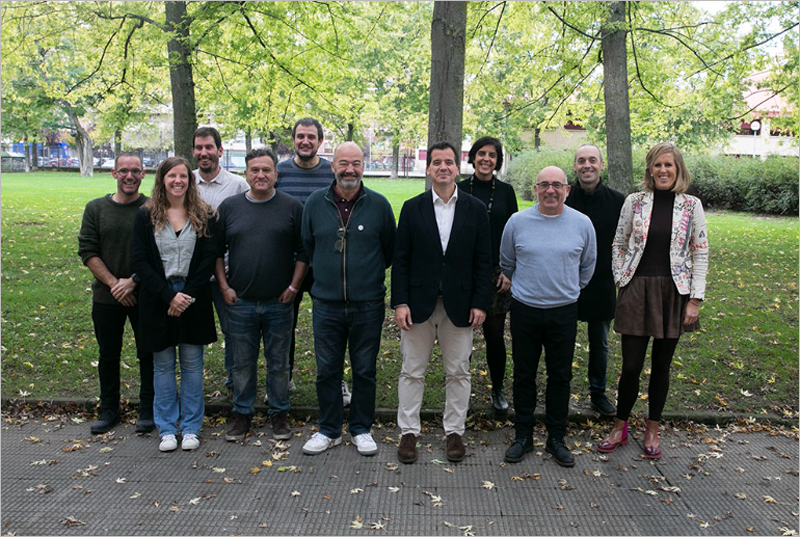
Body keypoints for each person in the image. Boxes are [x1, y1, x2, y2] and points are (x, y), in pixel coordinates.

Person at [598, 142, 708, 460]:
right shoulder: (636, 202)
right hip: (636, 288)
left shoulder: (691, 206)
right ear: (650, 169)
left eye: (669, 165)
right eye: (657, 165)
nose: (663, 170)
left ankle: (652, 428)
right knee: (630, 366)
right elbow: (618, 241)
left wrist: (695, 300)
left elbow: (700, 252)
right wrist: (622, 278)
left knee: (661, 366)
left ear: (678, 170)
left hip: (674, 292)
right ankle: (620, 426)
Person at [392, 141, 492, 464]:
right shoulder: (412, 207)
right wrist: (399, 302)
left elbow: (482, 259)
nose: (444, 168)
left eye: (449, 162)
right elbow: (401, 259)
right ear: (429, 169)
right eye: (437, 162)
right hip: (418, 304)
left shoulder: (475, 209)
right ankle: (408, 432)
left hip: (461, 306)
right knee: (412, 371)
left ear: (458, 168)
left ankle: (454, 432)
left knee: (459, 372)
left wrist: (480, 302)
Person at [300, 142, 396, 457]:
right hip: (326, 304)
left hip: (367, 304)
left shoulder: (379, 205)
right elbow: (308, 246)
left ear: (363, 166)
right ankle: (328, 430)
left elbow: (388, 252)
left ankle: (360, 428)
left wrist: (362, 275)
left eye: (356, 163)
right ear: (332, 166)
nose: (349, 170)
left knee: (364, 369)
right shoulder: (315, 203)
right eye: (343, 163)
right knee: (327, 369)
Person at [500, 166, 596, 468]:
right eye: (544, 185)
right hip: (525, 310)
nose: (550, 190)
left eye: (557, 185)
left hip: (563, 312)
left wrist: (567, 289)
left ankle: (556, 438)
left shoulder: (582, 224)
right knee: (524, 376)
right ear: (535, 188)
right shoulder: (517, 222)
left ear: (567, 190)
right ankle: (523, 436)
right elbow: (507, 262)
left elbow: (587, 266)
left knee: (560, 377)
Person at [215, 147, 308, 442]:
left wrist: (294, 287)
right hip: (240, 301)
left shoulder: (292, 207)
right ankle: (242, 413)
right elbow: (216, 253)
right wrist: (224, 287)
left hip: (279, 303)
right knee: (242, 364)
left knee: (279, 363)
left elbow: (304, 252)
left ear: (276, 175)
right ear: (246, 173)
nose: (261, 175)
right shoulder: (229, 207)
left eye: (266, 170)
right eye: (255, 170)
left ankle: (279, 413)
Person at [130, 157, 218, 452]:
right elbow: (140, 262)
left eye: (183, 176)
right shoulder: (146, 216)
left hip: (194, 297)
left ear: (190, 181)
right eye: (172, 176)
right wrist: (169, 296)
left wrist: (186, 296)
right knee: (163, 366)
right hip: (157, 297)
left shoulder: (204, 215)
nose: (178, 181)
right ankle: (167, 428)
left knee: (193, 366)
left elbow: (208, 259)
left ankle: (191, 427)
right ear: (162, 180)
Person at [276, 117, 352, 405]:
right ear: (293, 140)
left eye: (311, 137)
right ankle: (285, 376)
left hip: (326, 263)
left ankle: (336, 379)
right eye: (300, 136)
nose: (305, 141)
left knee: (332, 325)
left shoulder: (331, 173)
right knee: (285, 323)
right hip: (288, 262)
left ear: (321, 142)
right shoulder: (280, 172)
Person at [78, 152, 154, 435]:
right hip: (106, 297)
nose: (129, 176)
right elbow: (87, 250)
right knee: (108, 354)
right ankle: (108, 409)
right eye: (124, 171)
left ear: (143, 174)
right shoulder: (96, 208)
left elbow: (158, 252)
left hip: (143, 295)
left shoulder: (152, 207)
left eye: (135, 171)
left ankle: (148, 408)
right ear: (114, 174)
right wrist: (114, 284)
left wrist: (132, 281)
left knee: (147, 353)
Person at [456, 137, 518, 412]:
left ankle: (498, 389)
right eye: (481, 154)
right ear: (473, 157)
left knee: (494, 335)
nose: (486, 159)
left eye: (492, 155)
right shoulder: (458, 189)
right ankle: (461, 391)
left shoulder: (505, 191)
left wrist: (508, 270)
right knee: (462, 335)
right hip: (464, 271)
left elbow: (515, 232)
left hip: (496, 271)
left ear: (497, 160)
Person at [565, 144, 625, 417]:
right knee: (561, 339)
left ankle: (598, 393)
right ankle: (560, 390)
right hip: (564, 281)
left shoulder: (618, 201)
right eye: (581, 161)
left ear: (602, 165)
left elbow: (625, 243)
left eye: (592, 160)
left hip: (602, 282)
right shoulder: (563, 199)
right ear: (575, 167)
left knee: (599, 342)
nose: (586, 165)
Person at [192, 127, 249, 398]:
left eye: (209, 147)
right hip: (190, 275)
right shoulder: (184, 181)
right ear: (193, 151)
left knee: (233, 331)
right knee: (192, 333)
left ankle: (234, 384)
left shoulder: (237, 185)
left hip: (225, 275)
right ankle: (192, 389)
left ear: (220, 151)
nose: (204, 153)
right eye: (199, 148)